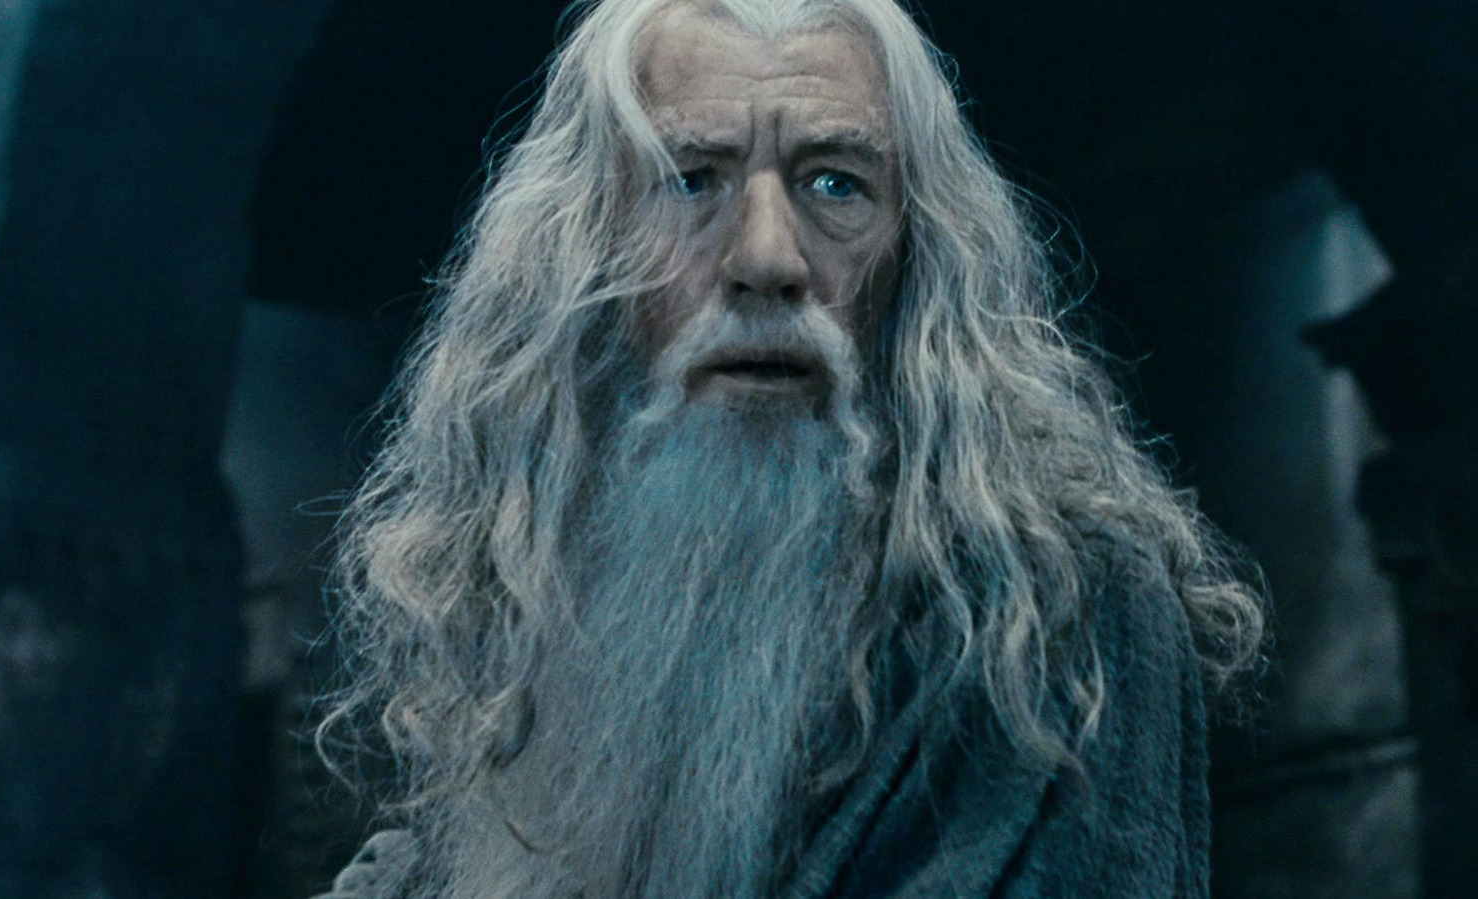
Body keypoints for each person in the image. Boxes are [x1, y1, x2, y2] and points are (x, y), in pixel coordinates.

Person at [314, 0, 1264, 896]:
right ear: (587, 246)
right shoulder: (536, 566)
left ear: (915, 253)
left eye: (834, 184)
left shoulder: (1054, 605)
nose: (767, 259)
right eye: (692, 180)